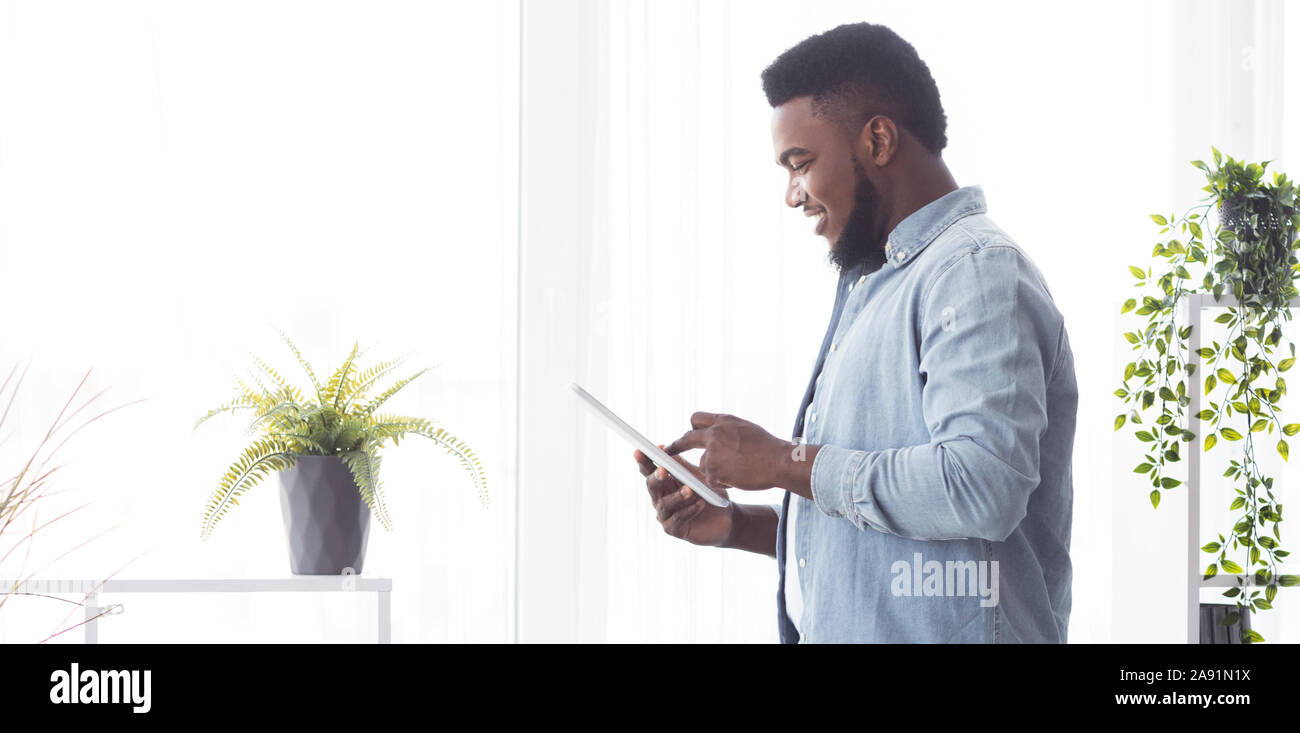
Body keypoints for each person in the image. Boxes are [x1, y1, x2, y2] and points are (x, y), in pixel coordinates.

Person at [633, 22, 1077, 643]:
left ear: (877, 138)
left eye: (800, 163)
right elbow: (886, 545)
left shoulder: (974, 273)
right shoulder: (874, 284)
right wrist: (741, 526)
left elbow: (980, 489)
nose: (792, 195)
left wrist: (782, 462)